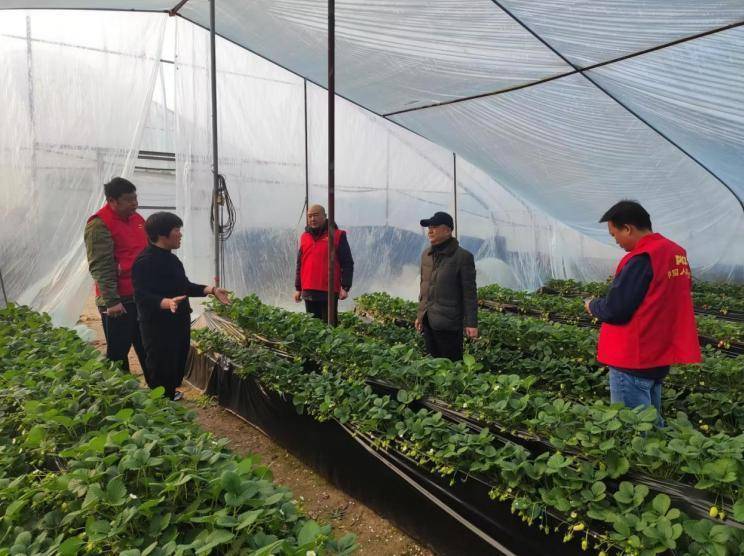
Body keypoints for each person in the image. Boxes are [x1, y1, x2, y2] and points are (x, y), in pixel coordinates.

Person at [584, 200, 701, 423]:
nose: (616, 241)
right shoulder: (676, 254)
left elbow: (616, 309)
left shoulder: (642, 258)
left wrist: (592, 305)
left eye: (614, 235)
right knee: (651, 423)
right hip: (657, 354)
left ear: (628, 228)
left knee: (634, 429)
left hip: (632, 358)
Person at [132, 212, 230, 401]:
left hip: (178, 320)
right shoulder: (145, 262)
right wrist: (166, 302)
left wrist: (211, 290)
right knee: (161, 365)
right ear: (162, 234)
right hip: (157, 325)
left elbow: (184, 286)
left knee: (176, 363)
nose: (180, 234)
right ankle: (161, 404)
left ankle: (169, 395)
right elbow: (141, 296)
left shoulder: (171, 259)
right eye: (176, 230)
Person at [84, 177, 149, 379]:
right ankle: (122, 391)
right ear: (112, 201)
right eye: (129, 200)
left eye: (135, 198)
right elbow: (101, 266)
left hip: (140, 294)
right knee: (119, 351)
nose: (135, 204)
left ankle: (160, 390)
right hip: (119, 300)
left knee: (147, 345)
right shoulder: (99, 224)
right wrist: (112, 301)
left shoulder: (137, 220)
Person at [415, 211, 478, 361]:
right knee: (431, 364)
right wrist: (420, 315)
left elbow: (469, 294)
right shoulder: (426, 255)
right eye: (429, 228)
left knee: (451, 365)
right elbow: (424, 288)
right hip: (429, 320)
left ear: (448, 231)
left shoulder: (463, 257)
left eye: (435, 227)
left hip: (449, 324)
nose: (430, 231)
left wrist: (471, 323)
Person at [293, 204, 354, 321]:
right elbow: (300, 264)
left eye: (316, 215)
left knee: (330, 325)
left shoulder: (337, 235)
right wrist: (298, 288)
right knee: (312, 326)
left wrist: (345, 287)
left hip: (328, 290)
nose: (312, 219)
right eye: (310, 216)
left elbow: (347, 263)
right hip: (309, 289)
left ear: (325, 216)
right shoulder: (304, 237)